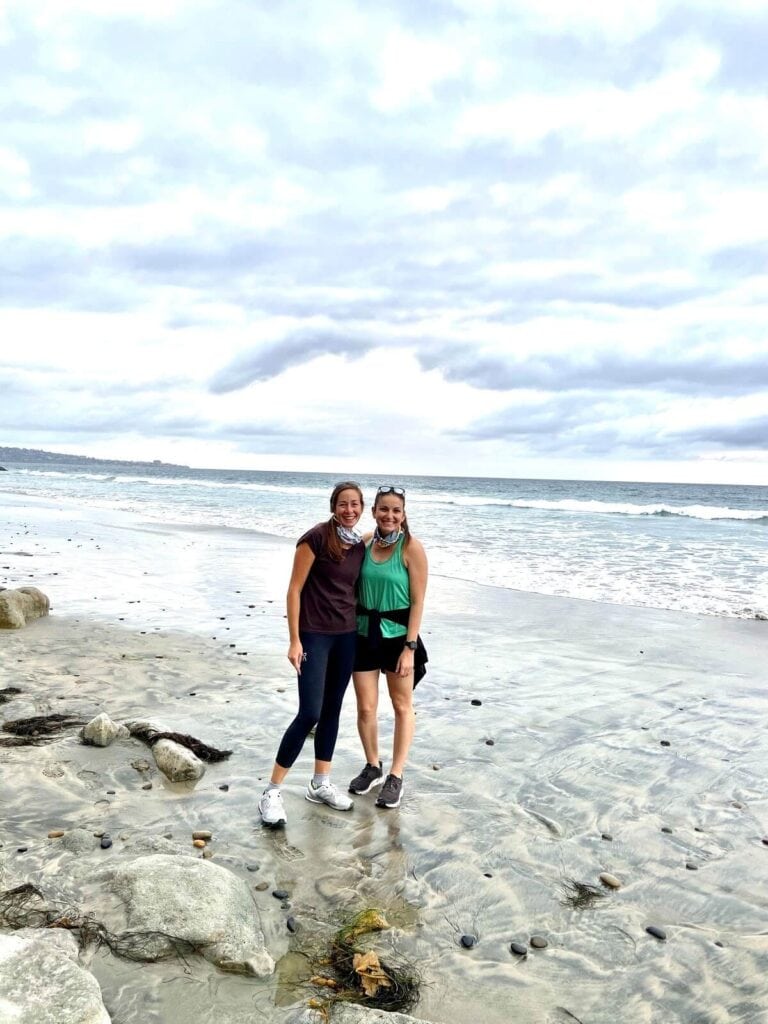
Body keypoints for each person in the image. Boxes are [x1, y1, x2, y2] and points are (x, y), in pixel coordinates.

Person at [258, 481, 365, 827]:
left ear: (362, 508)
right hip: (314, 636)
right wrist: (294, 640)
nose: (349, 510)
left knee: (332, 710)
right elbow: (294, 588)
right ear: (333, 506)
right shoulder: (315, 538)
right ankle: (272, 791)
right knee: (309, 713)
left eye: (355, 504)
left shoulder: (359, 545)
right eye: (343, 504)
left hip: (347, 636)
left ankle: (321, 783)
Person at [348, 485, 428, 809]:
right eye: (384, 509)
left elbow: (419, 601)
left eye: (396, 511)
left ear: (404, 515)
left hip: (398, 639)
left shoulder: (412, 549)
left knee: (400, 706)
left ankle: (396, 775)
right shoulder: (364, 543)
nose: (390, 516)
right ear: (374, 512)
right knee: (366, 708)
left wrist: (410, 647)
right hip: (364, 635)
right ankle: (373, 766)